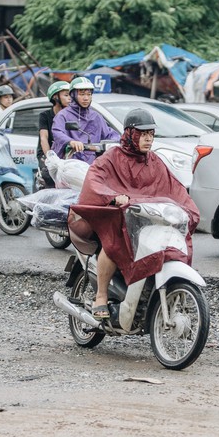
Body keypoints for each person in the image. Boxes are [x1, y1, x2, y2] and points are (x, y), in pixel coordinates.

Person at [70, 109, 199, 320]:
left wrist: (189, 208)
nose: (148, 139)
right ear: (130, 133)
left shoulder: (154, 161)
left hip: (147, 219)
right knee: (114, 243)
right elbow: (94, 180)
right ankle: (101, 296)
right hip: (118, 218)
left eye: (151, 134)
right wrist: (112, 196)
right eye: (143, 133)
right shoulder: (112, 157)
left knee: (171, 246)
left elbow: (174, 188)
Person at [51, 76, 119, 164]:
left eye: (89, 94)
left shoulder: (96, 116)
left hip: (94, 164)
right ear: (73, 95)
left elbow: (109, 133)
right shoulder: (63, 115)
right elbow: (57, 132)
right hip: (69, 163)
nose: (86, 98)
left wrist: (117, 141)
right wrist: (71, 142)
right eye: (82, 94)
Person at [37, 80, 70, 188]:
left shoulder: (71, 116)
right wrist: (49, 157)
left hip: (65, 152)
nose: (70, 98)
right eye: (66, 95)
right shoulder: (45, 115)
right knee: (49, 178)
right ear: (55, 97)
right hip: (48, 152)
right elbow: (43, 138)